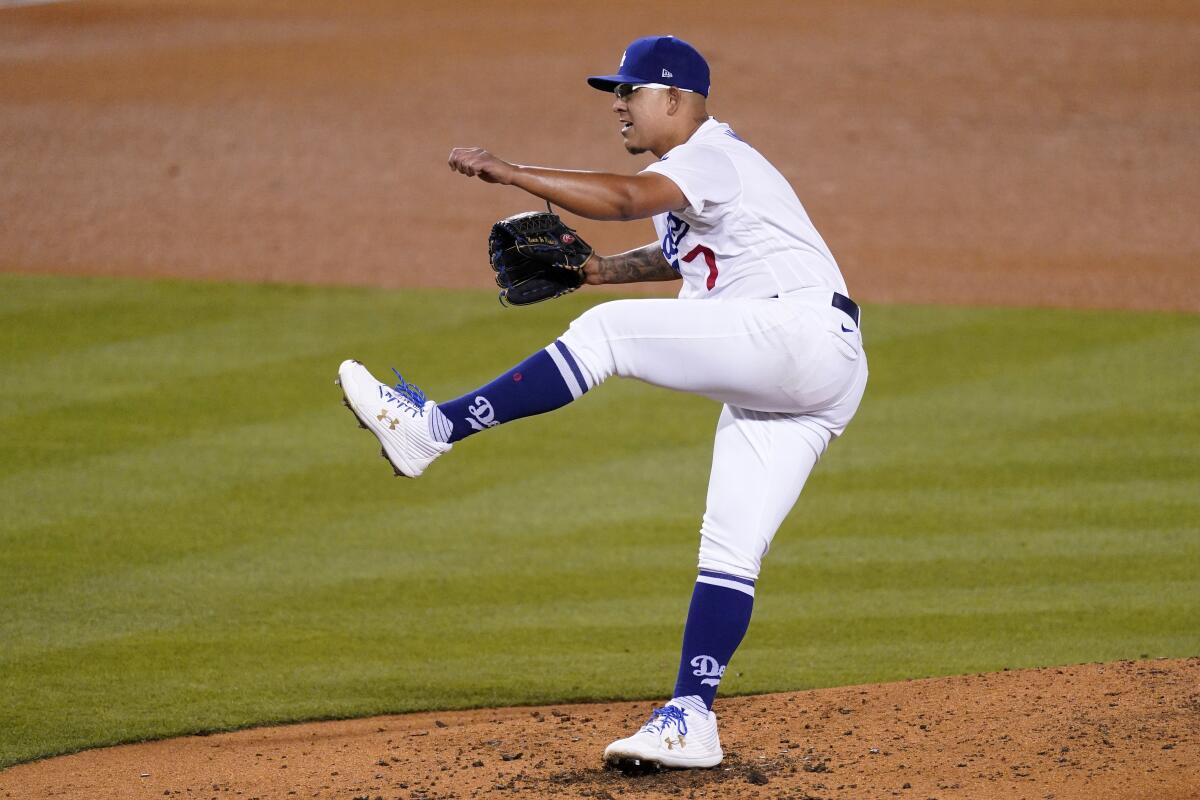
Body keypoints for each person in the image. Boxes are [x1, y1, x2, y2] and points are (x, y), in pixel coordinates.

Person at [336, 34, 868, 772]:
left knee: (610, 336)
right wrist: (594, 271)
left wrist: (514, 174)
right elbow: (680, 256)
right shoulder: (696, 177)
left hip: (799, 335)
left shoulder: (711, 156)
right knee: (729, 548)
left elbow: (622, 199)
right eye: (613, 92)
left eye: (631, 91)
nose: (617, 104)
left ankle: (432, 429)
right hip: (807, 371)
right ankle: (691, 717)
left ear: (675, 98)